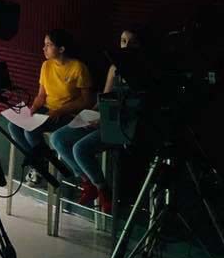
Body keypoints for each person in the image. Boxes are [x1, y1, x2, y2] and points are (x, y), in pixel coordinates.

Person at [49, 28, 141, 213]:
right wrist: (91, 114)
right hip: (104, 115)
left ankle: (102, 188)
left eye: (132, 42)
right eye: (123, 41)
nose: (126, 46)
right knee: (58, 138)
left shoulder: (143, 70)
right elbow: (105, 97)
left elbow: (137, 107)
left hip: (123, 123)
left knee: (79, 148)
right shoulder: (114, 67)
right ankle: (86, 181)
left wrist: (104, 120)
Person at [8, 29, 95, 186]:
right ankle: (39, 163)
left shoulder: (78, 68)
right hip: (47, 109)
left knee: (30, 130)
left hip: (68, 114)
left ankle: (44, 161)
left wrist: (60, 111)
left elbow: (86, 101)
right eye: (44, 44)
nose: (44, 48)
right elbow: (41, 95)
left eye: (48, 45)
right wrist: (32, 109)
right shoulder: (46, 65)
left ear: (61, 49)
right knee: (13, 125)